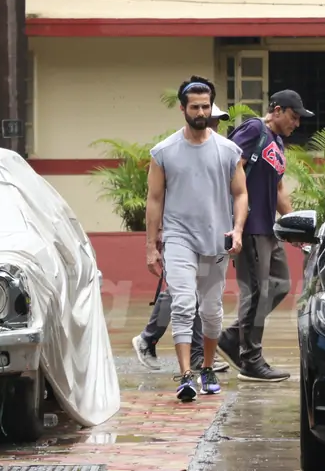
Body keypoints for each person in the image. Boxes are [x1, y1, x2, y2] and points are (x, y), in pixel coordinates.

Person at [146, 76, 249, 401]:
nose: (201, 111)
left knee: (211, 311)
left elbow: (241, 193)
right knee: (183, 304)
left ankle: (206, 366)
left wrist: (238, 230)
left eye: (206, 106)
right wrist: (151, 246)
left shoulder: (228, 150)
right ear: (183, 109)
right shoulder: (164, 152)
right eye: (195, 107)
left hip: (216, 239)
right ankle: (186, 375)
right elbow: (155, 199)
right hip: (178, 239)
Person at [217, 90, 314, 383]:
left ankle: (232, 339)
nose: (296, 124)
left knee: (281, 284)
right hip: (249, 226)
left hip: (269, 228)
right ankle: (251, 360)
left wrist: (295, 225)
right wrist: (235, 221)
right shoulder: (254, 129)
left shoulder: (278, 143)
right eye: (293, 117)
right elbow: (230, 168)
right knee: (257, 293)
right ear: (277, 110)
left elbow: (279, 189)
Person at [132, 104, 231, 374]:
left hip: (210, 238)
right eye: (212, 120)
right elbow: (159, 196)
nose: (214, 126)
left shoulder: (221, 151)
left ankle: (194, 355)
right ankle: (152, 340)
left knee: (201, 299)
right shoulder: (173, 152)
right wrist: (158, 236)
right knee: (182, 297)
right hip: (180, 236)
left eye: (217, 122)